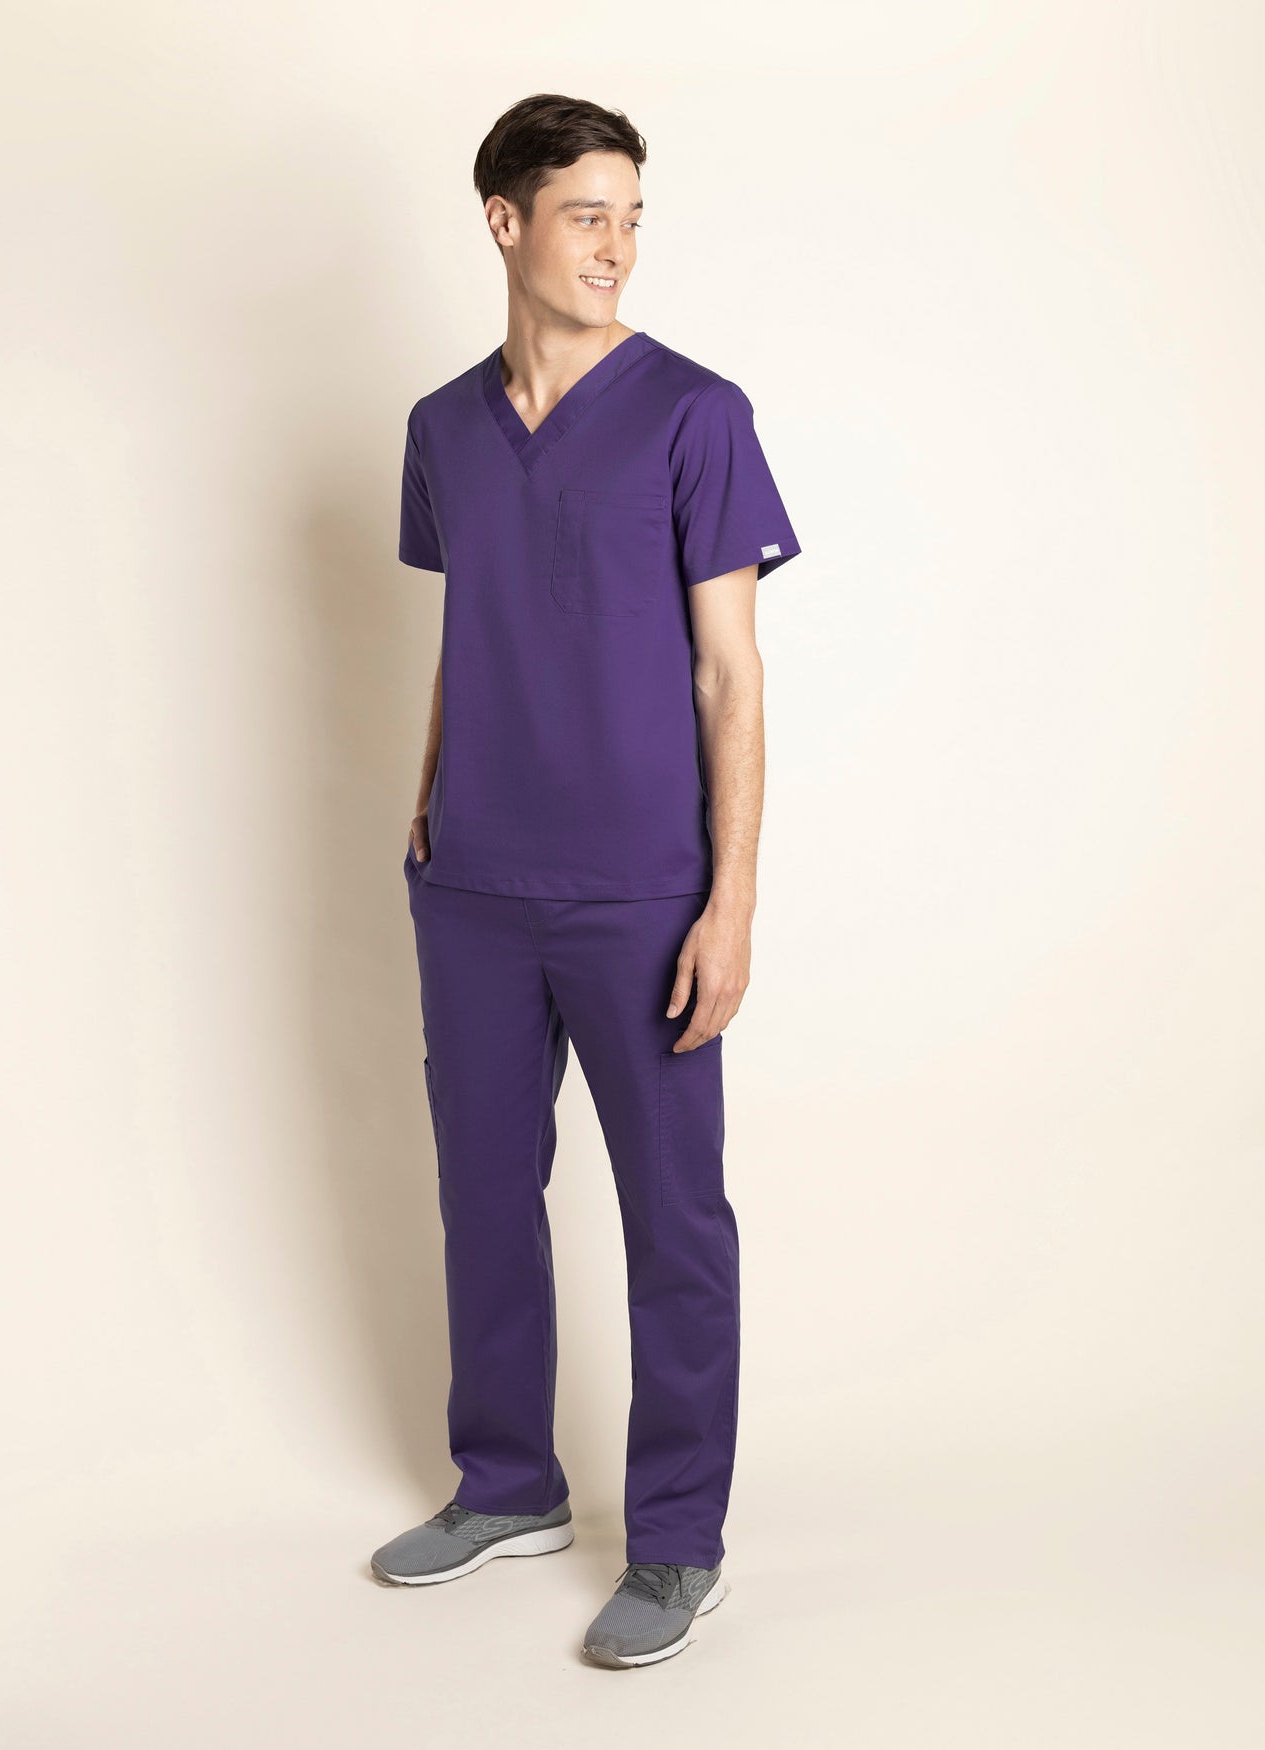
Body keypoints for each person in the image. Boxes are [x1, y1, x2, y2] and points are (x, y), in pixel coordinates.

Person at [370, 92, 802, 1669]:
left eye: (630, 216)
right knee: (484, 1194)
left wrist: (730, 901)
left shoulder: (697, 414)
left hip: (641, 892)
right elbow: (472, 623)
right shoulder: (442, 428)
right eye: (584, 214)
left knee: (674, 1216)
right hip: (473, 883)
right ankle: (509, 1482)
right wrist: (429, 796)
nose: (615, 245)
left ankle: (677, 1539)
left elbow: (731, 676)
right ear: (507, 223)